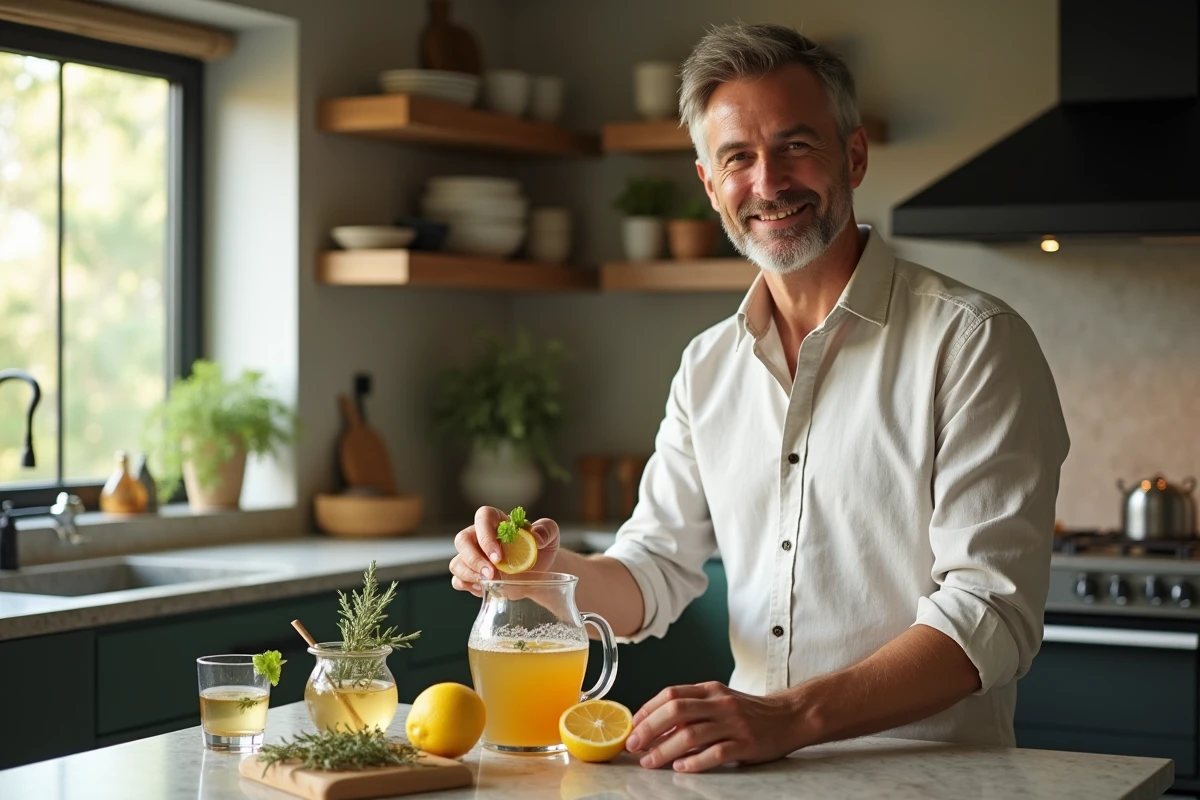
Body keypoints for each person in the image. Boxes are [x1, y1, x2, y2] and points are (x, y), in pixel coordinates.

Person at [449, 22, 1069, 774]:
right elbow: (653, 571)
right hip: (745, 778)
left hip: (928, 780)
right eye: (738, 157)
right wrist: (540, 574)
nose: (769, 183)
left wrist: (788, 716)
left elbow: (989, 613)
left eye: (796, 146)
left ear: (855, 155)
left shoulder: (973, 342)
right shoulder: (707, 365)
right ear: (711, 186)